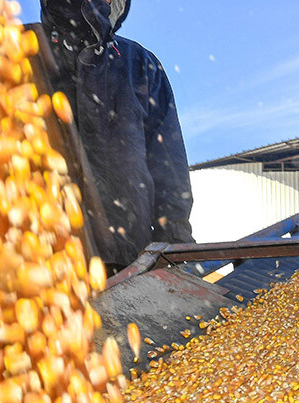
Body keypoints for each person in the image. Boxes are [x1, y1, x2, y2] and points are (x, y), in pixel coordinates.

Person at [40, 0, 195, 271]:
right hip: (42, 266)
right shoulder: (18, 55)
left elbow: (170, 174)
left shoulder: (139, 65)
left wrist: (176, 251)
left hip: (131, 262)